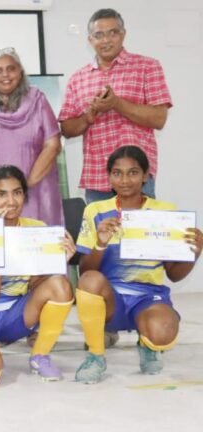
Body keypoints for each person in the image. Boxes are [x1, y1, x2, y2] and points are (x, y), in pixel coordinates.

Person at [73, 146, 202, 384]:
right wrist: (100, 244)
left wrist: (194, 253)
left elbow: (174, 275)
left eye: (133, 172)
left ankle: (148, 342)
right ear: (109, 176)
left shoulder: (164, 213)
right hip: (109, 297)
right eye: (117, 173)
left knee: (162, 333)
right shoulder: (96, 211)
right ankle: (96, 356)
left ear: (145, 175)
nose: (124, 180)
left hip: (148, 297)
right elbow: (85, 271)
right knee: (89, 281)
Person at [0, 165, 75, 385]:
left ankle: (40, 355)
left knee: (60, 285)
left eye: (17, 193)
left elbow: (34, 282)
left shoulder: (36, 228)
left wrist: (59, 261)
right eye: (1, 194)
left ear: (24, 195)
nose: (11, 201)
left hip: (16, 313)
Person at [59, 8, 172, 203]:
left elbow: (159, 119)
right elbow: (67, 129)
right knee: (99, 233)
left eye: (113, 33)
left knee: (138, 233)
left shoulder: (147, 66)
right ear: (90, 40)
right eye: (99, 35)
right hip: (97, 179)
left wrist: (116, 103)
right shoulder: (78, 78)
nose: (106, 40)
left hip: (137, 178)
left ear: (123, 34)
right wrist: (88, 116)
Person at [0, 47, 63, 226]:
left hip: (33, 192)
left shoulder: (38, 100)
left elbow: (52, 145)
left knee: (34, 247)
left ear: (20, 72)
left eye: (11, 68)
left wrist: (22, 189)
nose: (5, 75)